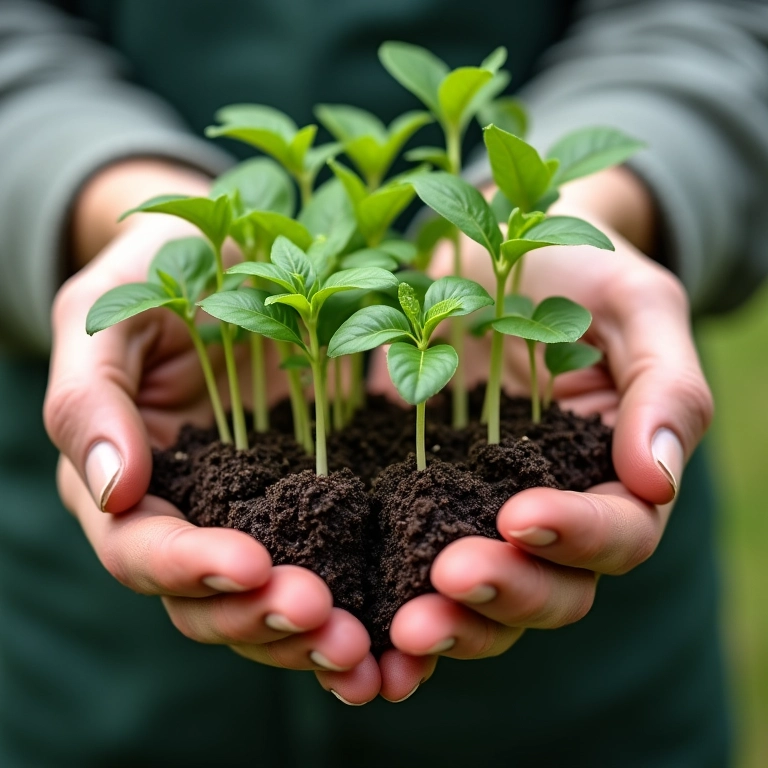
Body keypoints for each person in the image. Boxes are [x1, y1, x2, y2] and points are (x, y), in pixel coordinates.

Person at [2, 0, 767, 765]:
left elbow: (709, 21)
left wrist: (608, 197)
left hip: (587, 705)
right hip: (90, 676)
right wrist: (99, 199)